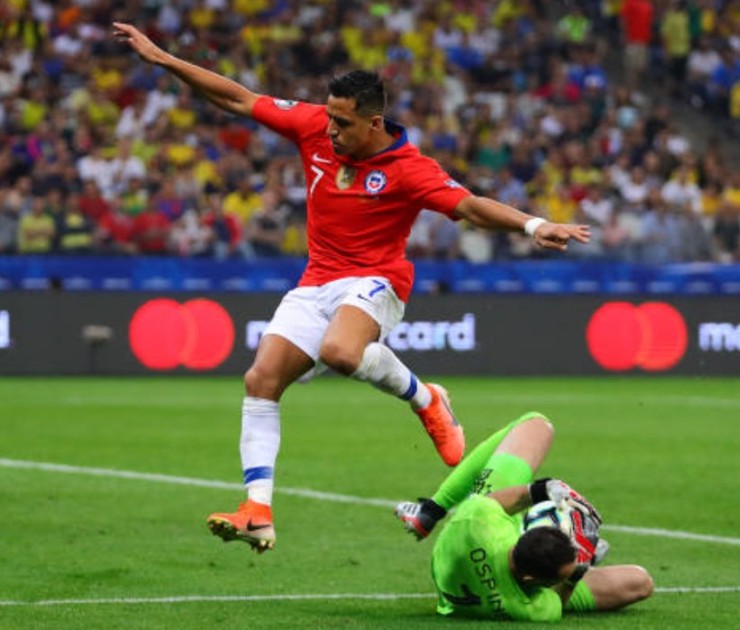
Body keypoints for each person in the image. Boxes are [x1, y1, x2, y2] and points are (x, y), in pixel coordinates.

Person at [113, 22, 591, 554]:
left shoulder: (410, 170)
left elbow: (471, 206)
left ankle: (427, 397)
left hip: (376, 282)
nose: (331, 130)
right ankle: (258, 511)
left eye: (342, 122)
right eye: (329, 118)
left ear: (374, 122)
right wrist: (164, 60)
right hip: (316, 280)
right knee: (261, 379)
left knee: (342, 352)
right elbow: (239, 98)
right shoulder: (315, 126)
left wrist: (532, 225)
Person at [395, 412, 653, 621]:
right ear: (534, 581)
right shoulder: (529, 608)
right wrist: (575, 575)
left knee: (536, 424)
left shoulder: (477, 523)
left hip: (461, 548)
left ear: (522, 535)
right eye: (561, 576)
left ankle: (429, 511)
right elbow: (558, 601)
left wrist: (543, 488)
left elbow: (504, 500)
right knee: (641, 583)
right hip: (496, 575)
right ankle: (582, 558)